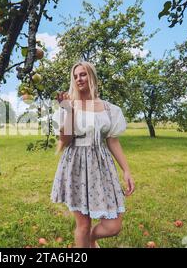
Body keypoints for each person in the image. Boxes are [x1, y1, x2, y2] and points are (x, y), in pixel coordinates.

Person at [51, 61, 135, 248]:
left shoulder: (108, 109)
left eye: (82, 74)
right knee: (84, 224)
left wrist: (126, 171)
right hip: (76, 164)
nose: (78, 79)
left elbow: (112, 140)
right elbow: (64, 140)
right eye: (75, 76)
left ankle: (90, 240)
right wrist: (69, 111)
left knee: (114, 226)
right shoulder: (68, 105)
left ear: (91, 76)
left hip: (102, 166)